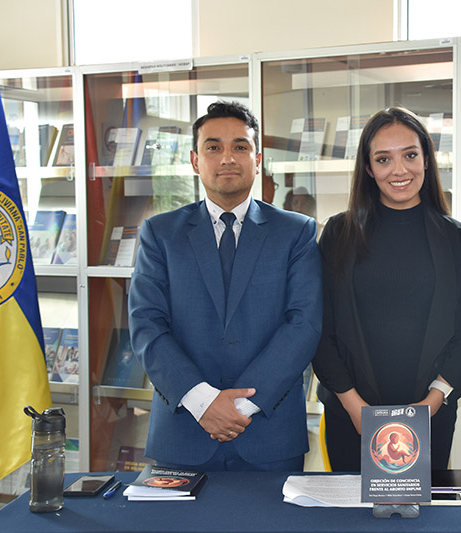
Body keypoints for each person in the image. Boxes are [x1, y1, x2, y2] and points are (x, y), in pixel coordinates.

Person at [128, 101, 322, 471]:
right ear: (195, 160)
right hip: (183, 432)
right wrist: (203, 402)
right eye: (213, 147)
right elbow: (146, 325)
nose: (227, 158)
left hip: (269, 432)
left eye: (240, 147)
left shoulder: (296, 232)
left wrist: (237, 407)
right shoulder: (161, 233)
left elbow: (304, 324)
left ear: (258, 158)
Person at [313, 106, 461, 471]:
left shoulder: (454, 237)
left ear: (426, 158)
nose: (399, 170)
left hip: (431, 414)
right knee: (351, 522)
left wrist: (431, 403)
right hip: (350, 413)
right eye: (383, 159)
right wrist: (354, 405)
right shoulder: (338, 233)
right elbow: (319, 329)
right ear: (369, 169)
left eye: (409, 155)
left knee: (422, 524)